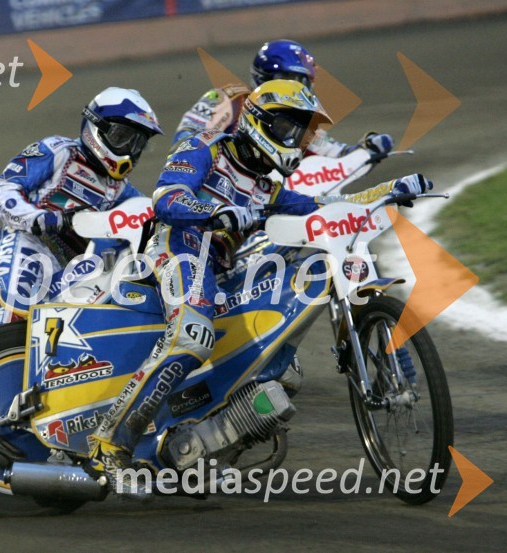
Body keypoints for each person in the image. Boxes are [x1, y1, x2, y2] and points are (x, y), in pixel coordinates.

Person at [88, 79, 432, 491]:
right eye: (289, 129)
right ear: (258, 123)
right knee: (192, 338)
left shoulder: (269, 187)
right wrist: (213, 211)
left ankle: (203, 444)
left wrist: (390, 189)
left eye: (300, 132)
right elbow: (167, 199)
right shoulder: (206, 147)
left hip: (223, 267)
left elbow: (325, 209)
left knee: (279, 365)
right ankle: (110, 443)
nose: (296, 141)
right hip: (177, 248)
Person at [0, 87, 163, 329]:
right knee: (13, 311)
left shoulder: (122, 190)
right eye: (123, 138)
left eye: (137, 144)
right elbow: (0, 190)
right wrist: (37, 218)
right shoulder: (58, 150)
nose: (130, 151)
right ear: (97, 127)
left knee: (68, 322)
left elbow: (147, 216)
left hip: (70, 263)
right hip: (28, 242)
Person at [172, 39, 394, 159]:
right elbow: (186, 138)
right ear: (265, 77)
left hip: (272, 197)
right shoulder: (229, 97)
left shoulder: (299, 119)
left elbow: (334, 154)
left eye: (302, 82)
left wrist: (366, 149)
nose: (295, 89)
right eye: (290, 79)